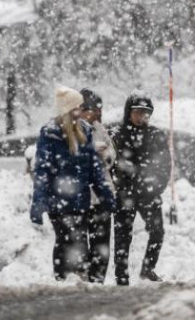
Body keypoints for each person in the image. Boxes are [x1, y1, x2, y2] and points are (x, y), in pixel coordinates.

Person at [30, 86, 116, 281]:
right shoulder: (50, 134)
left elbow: (94, 169)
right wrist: (38, 203)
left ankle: (78, 284)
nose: (81, 111)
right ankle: (63, 280)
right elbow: (42, 170)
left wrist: (106, 195)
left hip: (80, 202)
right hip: (58, 201)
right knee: (66, 242)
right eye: (77, 107)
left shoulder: (85, 131)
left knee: (79, 247)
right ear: (67, 110)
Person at [111, 90, 171, 285]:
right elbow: (111, 165)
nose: (141, 116)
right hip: (124, 194)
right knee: (122, 237)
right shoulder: (117, 135)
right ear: (129, 112)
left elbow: (165, 166)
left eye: (146, 112)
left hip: (149, 193)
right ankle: (121, 276)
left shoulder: (156, 135)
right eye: (137, 111)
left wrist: (155, 188)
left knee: (157, 231)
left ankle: (148, 269)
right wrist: (120, 186)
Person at [79, 88, 117, 284]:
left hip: (101, 194)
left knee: (101, 242)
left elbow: (112, 154)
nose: (99, 114)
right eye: (95, 109)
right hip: (80, 195)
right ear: (82, 109)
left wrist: (106, 156)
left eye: (100, 109)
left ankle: (98, 279)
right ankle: (83, 279)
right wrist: (91, 152)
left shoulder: (100, 129)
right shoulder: (72, 129)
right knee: (79, 242)